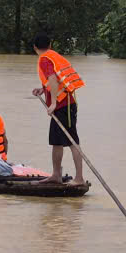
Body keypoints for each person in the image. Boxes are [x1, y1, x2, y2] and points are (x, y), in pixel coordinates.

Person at [31, 32, 85, 185]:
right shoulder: (52, 55)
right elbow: (53, 81)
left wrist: (53, 103)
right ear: (50, 45)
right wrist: (42, 90)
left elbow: (53, 79)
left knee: (72, 142)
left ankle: (79, 178)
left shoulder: (44, 59)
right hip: (64, 105)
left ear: (35, 47)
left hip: (64, 106)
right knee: (56, 141)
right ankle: (56, 175)